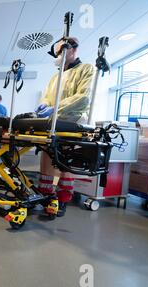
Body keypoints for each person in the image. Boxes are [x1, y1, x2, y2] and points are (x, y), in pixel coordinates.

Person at [35, 37, 95, 217]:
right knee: (46, 155)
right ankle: (45, 195)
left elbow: (83, 98)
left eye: (60, 51)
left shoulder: (86, 69)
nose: (58, 56)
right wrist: (44, 105)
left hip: (72, 121)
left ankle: (62, 198)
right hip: (53, 121)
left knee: (66, 162)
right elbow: (47, 97)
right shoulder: (56, 77)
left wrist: (56, 107)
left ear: (72, 49)